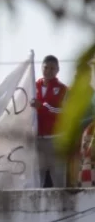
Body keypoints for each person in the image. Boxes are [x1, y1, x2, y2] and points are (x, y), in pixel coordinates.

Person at [31, 55, 68, 188]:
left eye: (52, 68)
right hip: (37, 140)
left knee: (58, 179)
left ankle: (63, 208)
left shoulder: (63, 89)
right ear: (42, 68)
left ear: (57, 70)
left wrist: (44, 107)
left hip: (55, 140)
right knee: (36, 179)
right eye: (46, 67)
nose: (49, 71)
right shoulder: (32, 87)